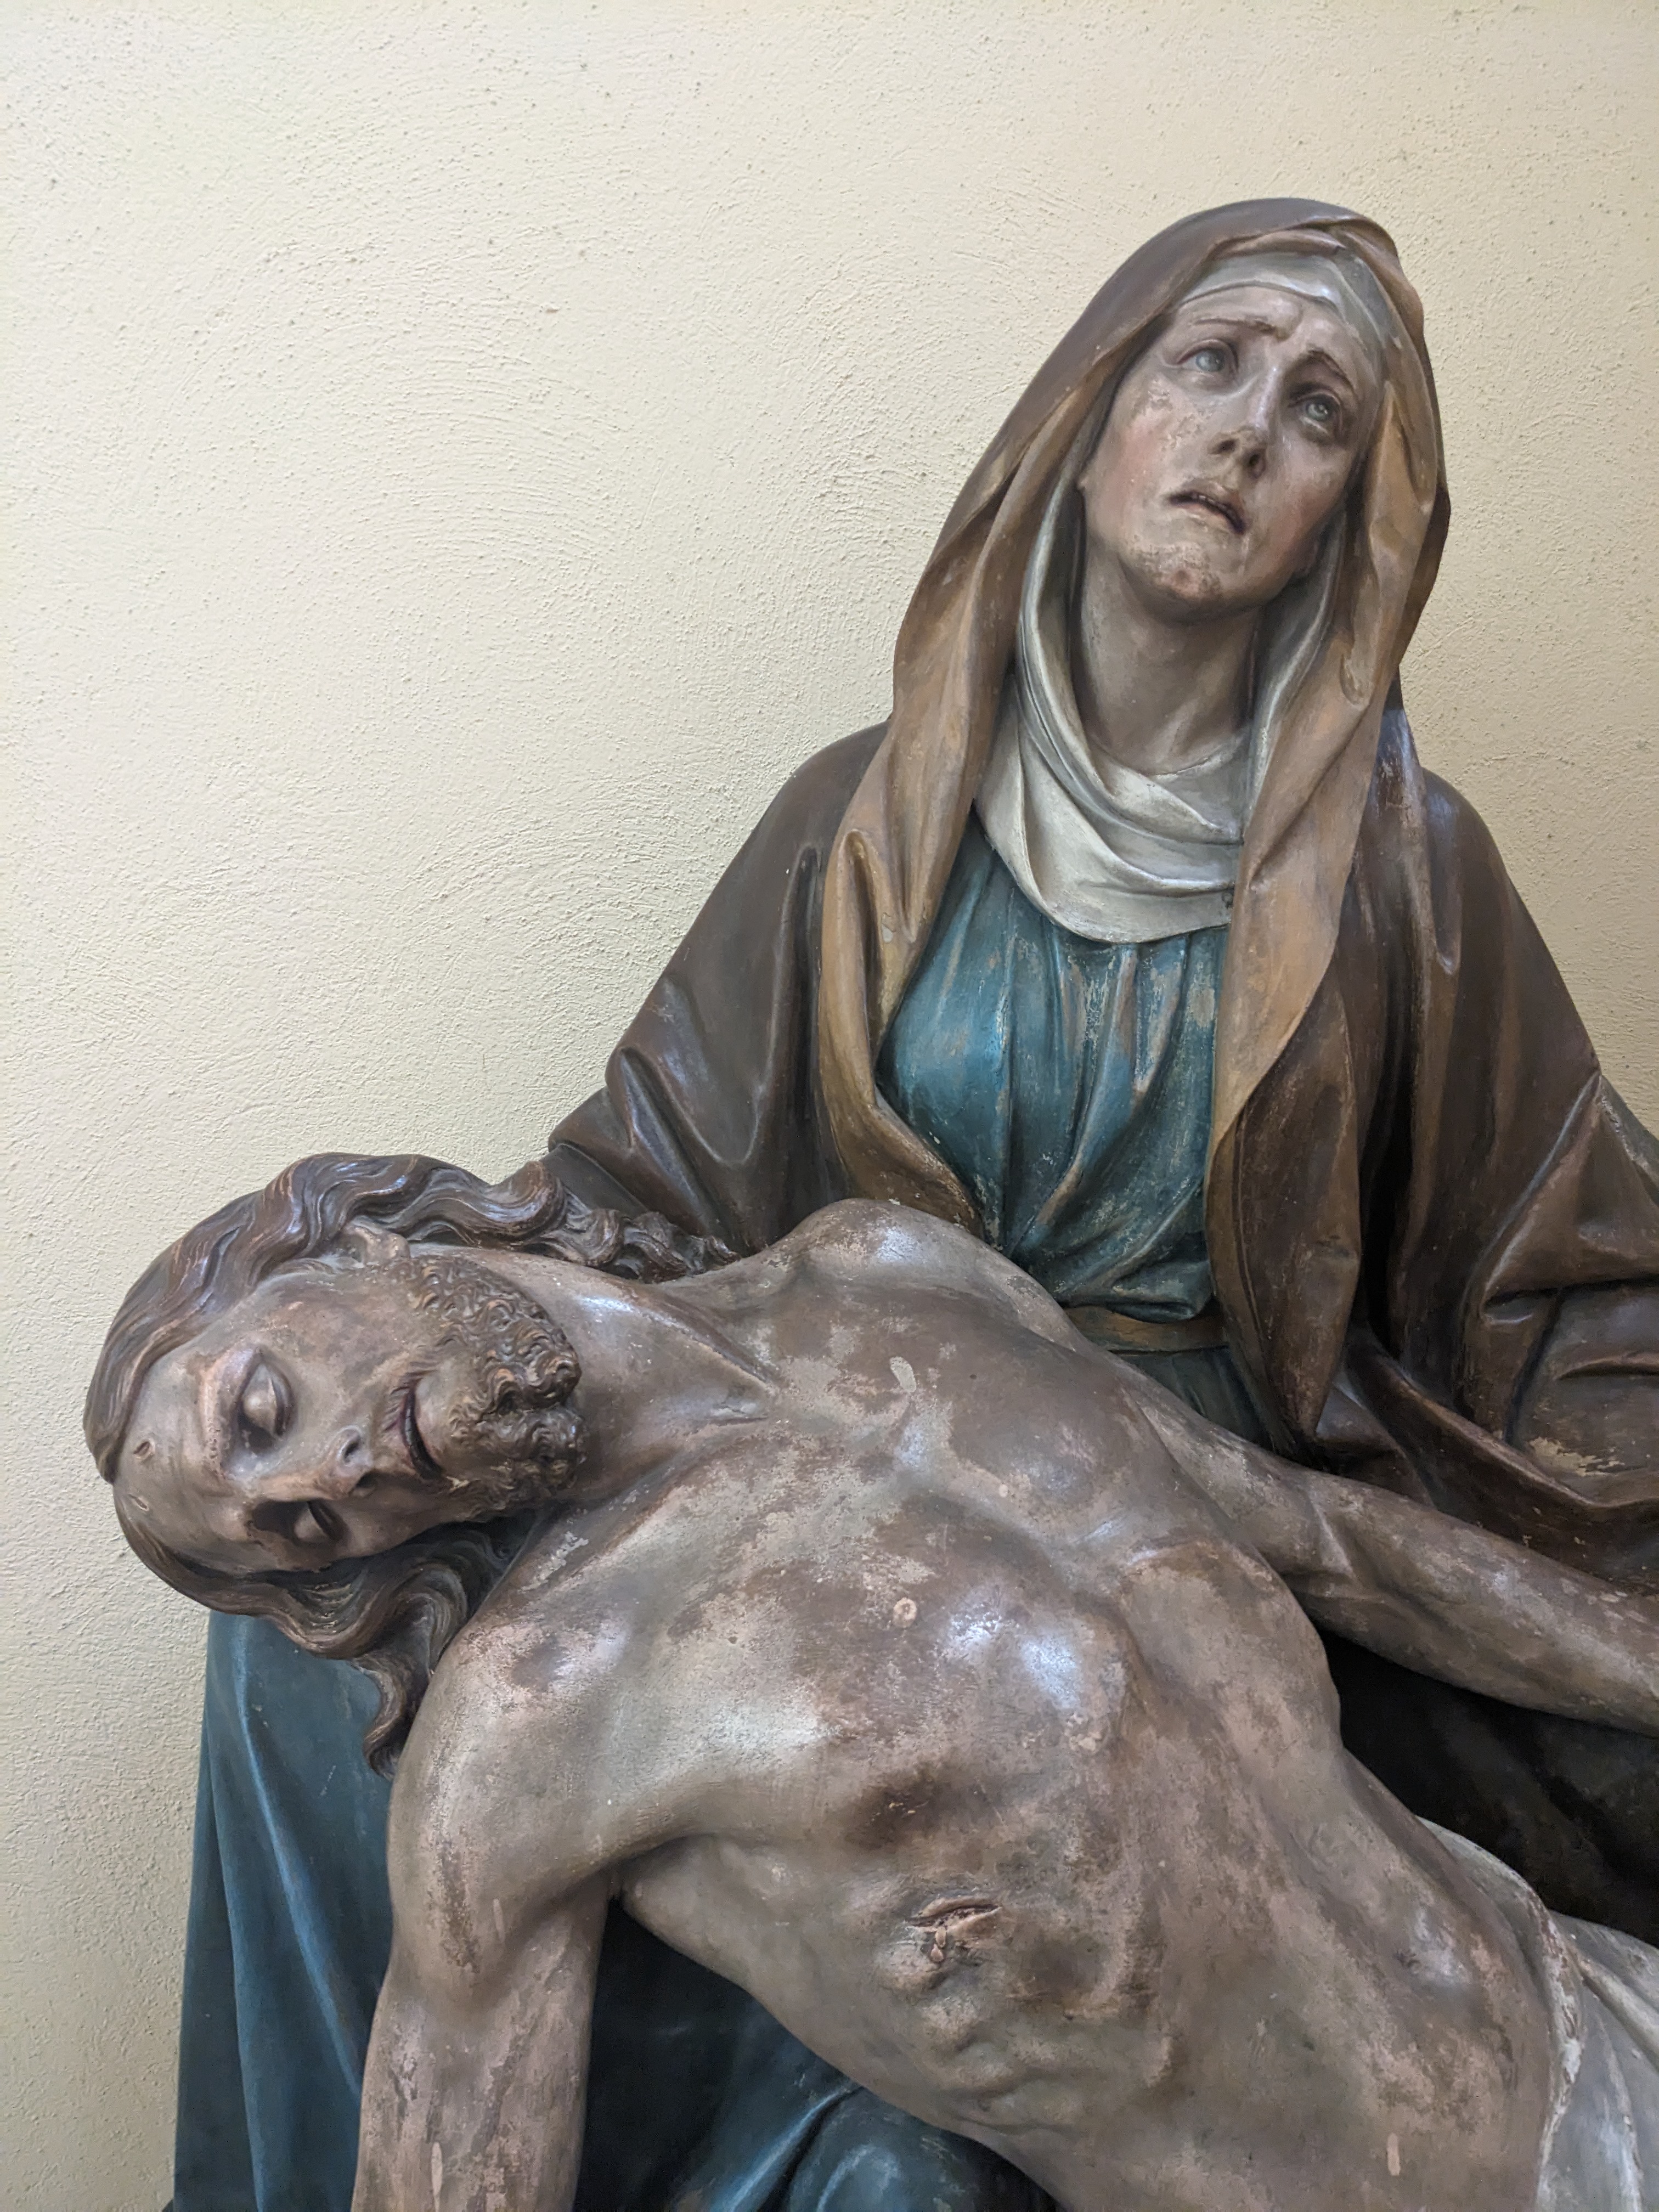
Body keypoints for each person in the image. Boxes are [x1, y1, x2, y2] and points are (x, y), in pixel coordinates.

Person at [144, 199, 1659, 2208]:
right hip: (858, 1479)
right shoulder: (862, 831)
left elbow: (1563, 1256)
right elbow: (640, 1195)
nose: (1243, 433)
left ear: (1344, 526)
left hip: (1194, 1486)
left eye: (1316, 413)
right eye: (1208, 364)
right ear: (1087, 422)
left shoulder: (1400, 866)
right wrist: (395, 1336)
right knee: (291, 1669)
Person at [89, 1156, 1659, 2211]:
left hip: (1591, 2019)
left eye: (264, 1412)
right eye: (302, 1533)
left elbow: (1339, 1550)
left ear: (350, 1245)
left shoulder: (889, 1272)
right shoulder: (538, 1716)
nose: (333, 1482)